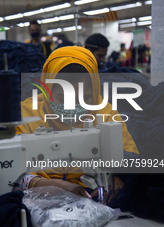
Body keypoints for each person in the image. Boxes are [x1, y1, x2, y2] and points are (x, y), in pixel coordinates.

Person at [17, 46, 138, 199]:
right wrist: (53, 185)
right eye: (62, 99)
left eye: (84, 99)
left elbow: (129, 159)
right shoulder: (24, 114)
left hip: (89, 196)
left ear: (94, 91)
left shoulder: (106, 114)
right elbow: (12, 171)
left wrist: (116, 178)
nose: (72, 108)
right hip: (38, 197)